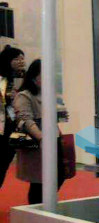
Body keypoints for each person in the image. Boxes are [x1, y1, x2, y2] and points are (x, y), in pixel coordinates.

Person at [14, 59, 65, 205]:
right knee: (39, 181)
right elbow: (26, 120)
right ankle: (37, 209)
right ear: (34, 77)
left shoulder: (49, 95)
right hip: (37, 144)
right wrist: (41, 138)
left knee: (59, 174)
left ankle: (45, 203)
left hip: (54, 139)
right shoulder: (24, 95)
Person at [0, 45, 25, 188]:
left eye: (22, 58)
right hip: (3, 128)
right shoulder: (2, 80)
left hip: (13, 128)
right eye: (17, 59)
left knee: (5, 162)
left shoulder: (23, 79)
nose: (21, 61)